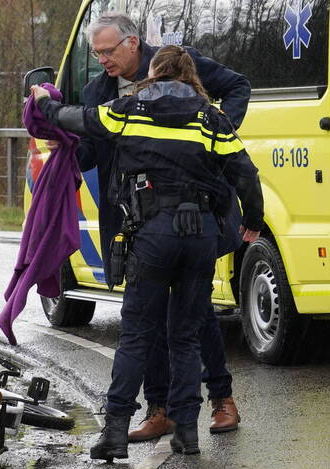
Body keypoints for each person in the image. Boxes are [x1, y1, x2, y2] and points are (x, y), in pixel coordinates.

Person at [30, 44, 264, 459]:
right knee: (187, 337)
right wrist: (253, 222)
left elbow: (75, 120)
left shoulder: (128, 109)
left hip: (153, 233)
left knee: (137, 335)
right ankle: (187, 435)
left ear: (154, 73)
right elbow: (245, 173)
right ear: (192, 77)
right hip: (200, 237)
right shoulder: (212, 118)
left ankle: (115, 433)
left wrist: (45, 102)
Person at [77, 13, 250, 440]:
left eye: (108, 51)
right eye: (96, 53)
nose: (102, 60)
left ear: (133, 43)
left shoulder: (176, 63)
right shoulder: (97, 92)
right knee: (146, 318)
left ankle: (222, 399)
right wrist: (59, 149)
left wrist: (212, 139)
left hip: (191, 214)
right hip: (131, 214)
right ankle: (160, 410)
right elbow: (90, 152)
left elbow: (237, 87)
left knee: (196, 316)